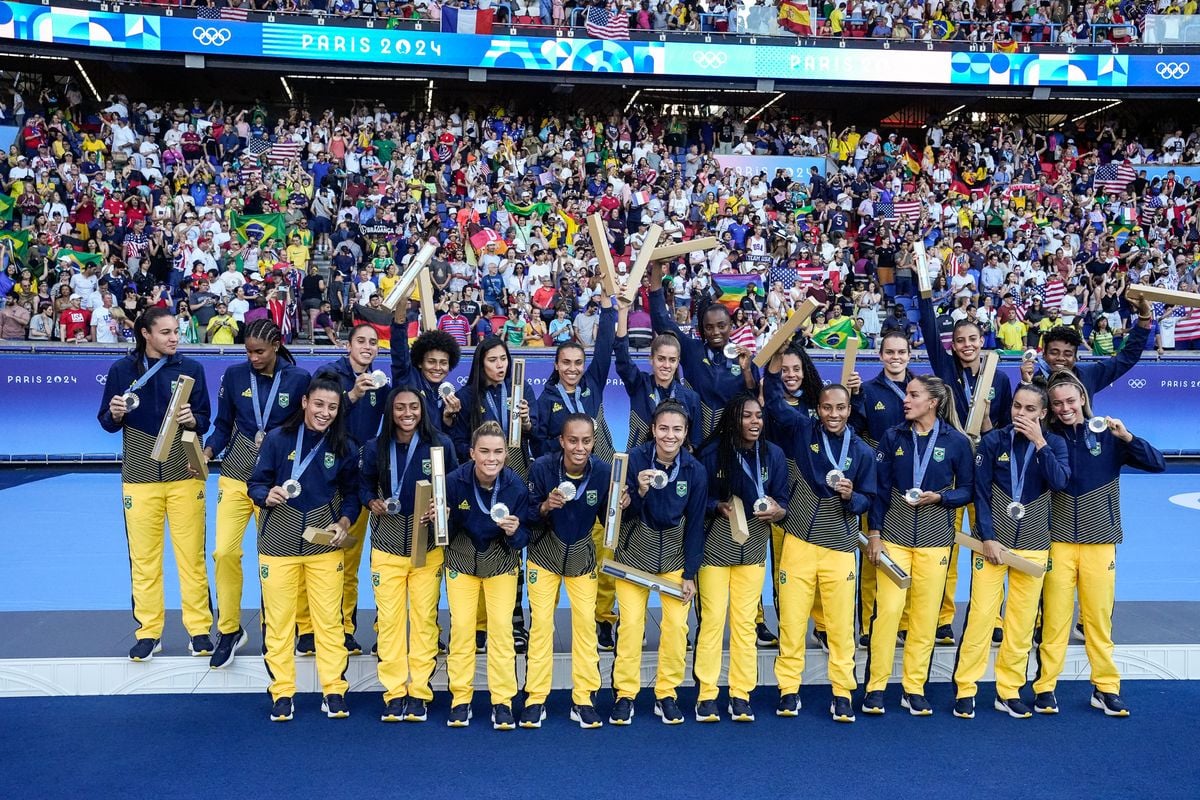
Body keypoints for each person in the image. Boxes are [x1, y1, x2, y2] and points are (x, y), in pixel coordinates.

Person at [1032, 373, 1165, 717]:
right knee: (1055, 621)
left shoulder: (1106, 435)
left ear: (1082, 400)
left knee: (1098, 621)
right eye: (1058, 403)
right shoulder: (1045, 438)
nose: (1065, 408)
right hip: (1057, 541)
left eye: (1070, 401)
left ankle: (1105, 688)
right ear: (1050, 406)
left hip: (1100, 542)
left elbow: (1156, 463)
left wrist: (1128, 437)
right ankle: (1045, 687)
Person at [97, 307, 213, 661]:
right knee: (144, 560)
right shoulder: (122, 371)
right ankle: (149, 632)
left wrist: (194, 419)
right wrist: (116, 414)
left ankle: (200, 630)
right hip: (140, 478)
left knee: (192, 557)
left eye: (176, 331)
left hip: (184, 476)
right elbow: (106, 420)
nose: (174, 337)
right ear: (145, 333)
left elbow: (205, 419)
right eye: (165, 332)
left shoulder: (192, 369)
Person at [951, 383, 1070, 720]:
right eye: (1017, 407)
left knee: (1020, 625)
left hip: (1033, 547)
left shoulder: (1055, 444)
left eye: (1030, 409)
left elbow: (1060, 482)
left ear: (1044, 413)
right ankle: (966, 688)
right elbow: (980, 492)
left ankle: (1009, 690)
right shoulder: (993, 441)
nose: (1021, 414)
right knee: (981, 618)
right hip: (992, 547)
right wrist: (987, 536)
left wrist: (1040, 443)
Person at [763, 372, 877, 723]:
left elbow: (869, 500)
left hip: (840, 548)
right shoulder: (802, 432)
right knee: (793, 622)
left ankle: (842, 692)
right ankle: (788, 690)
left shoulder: (862, 452)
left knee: (842, 626)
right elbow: (776, 405)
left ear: (849, 409)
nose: (834, 414)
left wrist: (851, 496)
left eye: (841, 408)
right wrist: (774, 367)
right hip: (798, 541)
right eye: (827, 407)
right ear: (818, 408)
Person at [248, 376, 361, 722]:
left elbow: (353, 495)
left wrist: (343, 523)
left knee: (329, 622)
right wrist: (266, 495)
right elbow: (256, 483)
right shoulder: (278, 440)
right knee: (279, 623)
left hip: (322, 545)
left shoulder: (344, 447)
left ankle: (334, 691)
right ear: (304, 403)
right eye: (318, 404)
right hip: (277, 543)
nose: (324, 413)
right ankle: (282, 692)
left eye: (332, 407)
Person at [861, 376, 974, 716]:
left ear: (933, 402)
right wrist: (876, 534)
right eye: (906, 394)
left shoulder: (957, 442)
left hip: (935, 543)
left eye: (914, 395)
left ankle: (913, 687)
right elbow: (879, 491)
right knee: (888, 615)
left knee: (925, 618)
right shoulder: (892, 437)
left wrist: (941, 497)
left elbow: (968, 489)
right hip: (893, 540)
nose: (906, 401)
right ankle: (875, 687)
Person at [203, 319, 311, 669]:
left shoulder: (298, 379)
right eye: (248, 351)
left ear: (277, 346)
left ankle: (273, 629)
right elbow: (222, 425)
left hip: (275, 487)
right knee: (223, 553)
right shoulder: (234, 376)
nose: (252, 357)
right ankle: (229, 629)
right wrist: (206, 452)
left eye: (259, 352)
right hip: (235, 477)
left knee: (273, 563)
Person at [360, 386, 458, 724]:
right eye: (400, 407)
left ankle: (419, 692)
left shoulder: (440, 445)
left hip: (426, 549)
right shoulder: (375, 448)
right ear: (390, 411)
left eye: (413, 407)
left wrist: (441, 506)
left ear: (422, 409)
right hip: (386, 546)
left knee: (423, 621)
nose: (407, 413)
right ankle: (394, 693)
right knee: (388, 624)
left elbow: (455, 485)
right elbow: (363, 484)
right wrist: (371, 501)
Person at [918, 302, 1014, 642]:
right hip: (952, 468)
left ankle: (991, 617)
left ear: (982, 339)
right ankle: (944, 617)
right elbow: (929, 332)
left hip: (986, 469)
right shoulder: (945, 371)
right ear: (953, 345)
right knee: (949, 544)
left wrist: (988, 427)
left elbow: (1005, 428)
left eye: (972, 338)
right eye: (960, 340)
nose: (967, 345)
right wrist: (924, 291)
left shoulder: (999, 379)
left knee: (989, 540)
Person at [609, 400, 707, 726]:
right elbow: (617, 514)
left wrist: (691, 573)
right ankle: (625, 694)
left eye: (676, 429)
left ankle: (667, 693)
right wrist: (637, 491)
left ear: (685, 432)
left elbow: (695, 524)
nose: (669, 435)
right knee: (632, 626)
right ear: (653, 429)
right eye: (663, 428)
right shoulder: (633, 460)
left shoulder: (694, 470)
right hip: (634, 557)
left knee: (677, 629)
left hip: (675, 561)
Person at [694, 393, 787, 723]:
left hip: (753, 550)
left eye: (758, 416)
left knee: (746, 624)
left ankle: (740, 693)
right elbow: (697, 502)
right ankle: (707, 694)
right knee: (713, 621)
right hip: (716, 550)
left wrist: (778, 511)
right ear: (734, 418)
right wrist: (715, 508)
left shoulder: (773, 454)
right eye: (747, 416)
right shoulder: (710, 454)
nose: (755, 422)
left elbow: (783, 501)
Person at [525, 414, 619, 729]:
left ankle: (584, 699)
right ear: (562, 441)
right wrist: (543, 507)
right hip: (544, 557)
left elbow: (610, 522)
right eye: (573, 440)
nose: (580, 447)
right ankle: (535, 699)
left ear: (594, 442)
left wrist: (625, 505)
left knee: (585, 629)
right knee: (540, 629)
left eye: (586, 441)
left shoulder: (604, 472)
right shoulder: (541, 468)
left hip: (581, 559)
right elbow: (526, 514)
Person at [448, 335, 539, 654]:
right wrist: (481, 460)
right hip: (478, 482)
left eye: (503, 360)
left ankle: (514, 622)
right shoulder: (465, 397)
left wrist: (527, 421)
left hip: (516, 476)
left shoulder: (522, 390)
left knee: (512, 548)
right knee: (478, 543)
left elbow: (537, 434)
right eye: (492, 360)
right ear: (480, 363)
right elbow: (457, 443)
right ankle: (477, 624)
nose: (500, 366)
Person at [302, 323, 389, 655]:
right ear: (348, 345)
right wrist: (351, 395)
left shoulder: (380, 382)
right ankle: (308, 629)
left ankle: (344, 628)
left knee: (349, 558)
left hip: (358, 474)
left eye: (373, 343)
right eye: (361, 341)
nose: (368, 347)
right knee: (313, 555)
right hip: (322, 474)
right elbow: (318, 418)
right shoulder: (329, 373)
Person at [441, 421, 533, 730]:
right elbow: (445, 533)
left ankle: (502, 701)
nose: (491, 459)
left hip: (501, 567)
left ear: (506, 454)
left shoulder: (516, 487)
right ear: (471, 453)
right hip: (461, 564)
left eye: (497, 452)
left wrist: (515, 532)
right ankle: (460, 699)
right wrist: (443, 519)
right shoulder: (454, 482)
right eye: (484, 452)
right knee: (463, 629)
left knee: (501, 632)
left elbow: (525, 539)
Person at [849, 330, 915, 646]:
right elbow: (855, 433)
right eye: (890, 352)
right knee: (874, 551)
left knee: (909, 552)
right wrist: (855, 397)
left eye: (901, 352)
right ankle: (867, 624)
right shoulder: (867, 390)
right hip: (877, 482)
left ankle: (903, 622)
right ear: (880, 355)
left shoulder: (921, 389)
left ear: (909, 354)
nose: (896, 357)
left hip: (912, 482)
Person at [648, 261, 758, 438]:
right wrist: (656, 268)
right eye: (709, 327)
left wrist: (746, 371)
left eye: (721, 326)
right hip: (695, 440)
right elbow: (661, 319)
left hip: (730, 441)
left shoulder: (742, 356)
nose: (715, 332)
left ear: (731, 325)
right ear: (702, 330)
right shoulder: (692, 350)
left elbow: (753, 400)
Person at [1018, 291, 1153, 396]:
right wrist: (1025, 383)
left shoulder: (1089, 374)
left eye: (1068, 353)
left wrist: (1145, 315)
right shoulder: (1034, 382)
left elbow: (1127, 358)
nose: (1060, 358)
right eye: (1054, 352)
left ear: (1075, 357)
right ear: (1044, 355)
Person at [614, 297, 703, 452]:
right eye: (661, 359)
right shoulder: (639, 384)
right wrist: (623, 312)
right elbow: (622, 357)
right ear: (651, 359)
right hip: (640, 463)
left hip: (675, 468)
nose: (666, 365)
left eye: (672, 360)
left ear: (678, 362)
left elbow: (695, 444)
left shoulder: (691, 398)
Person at [390, 316, 463, 434]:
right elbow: (399, 352)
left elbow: (447, 438)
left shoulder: (447, 394)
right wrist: (399, 322)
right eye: (431, 361)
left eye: (443, 363)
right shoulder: (408, 378)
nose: (438, 368)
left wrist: (448, 418)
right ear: (419, 362)